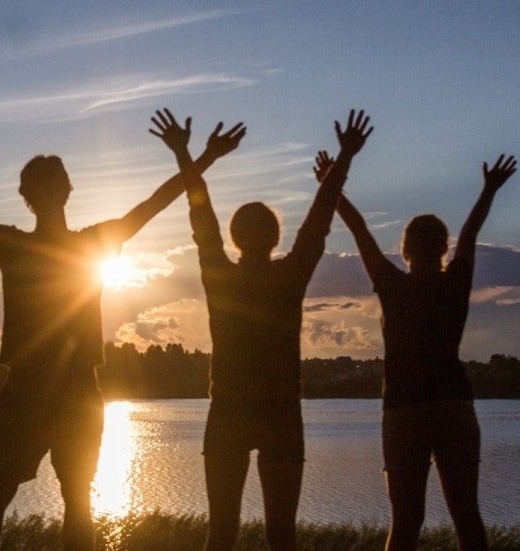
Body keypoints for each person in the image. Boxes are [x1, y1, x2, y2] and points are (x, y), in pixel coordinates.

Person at [0, 120, 245, 551]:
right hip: (71, 391)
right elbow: (153, 205)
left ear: (26, 198)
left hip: (33, 391)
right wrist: (203, 157)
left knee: (4, 495)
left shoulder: (16, 244)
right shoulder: (88, 244)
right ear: (68, 192)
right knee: (72, 501)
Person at [151, 108, 372, 551]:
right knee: (281, 537)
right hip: (281, 411)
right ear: (274, 237)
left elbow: (202, 218)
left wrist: (183, 152)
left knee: (221, 534)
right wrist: (343, 160)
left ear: (235, 239)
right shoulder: (288, 277)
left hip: (229, 410)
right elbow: (318, 222)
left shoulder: (221, 275)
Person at [313, 151, 516, 551]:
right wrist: (488, 190)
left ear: (404, 248)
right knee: (467, 516)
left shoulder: (392, 284)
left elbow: (359, 231)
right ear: (443, 248)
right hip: (454, 405)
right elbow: (471, 234)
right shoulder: (455, 281)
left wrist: (332, 182)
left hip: (403, 411)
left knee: (405, 522)